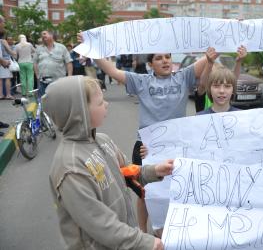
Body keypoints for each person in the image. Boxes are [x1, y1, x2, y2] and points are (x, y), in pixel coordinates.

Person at [79, 30, 218, 234]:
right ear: (150, 64)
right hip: (146, 148)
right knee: (145, 194)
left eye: (168, 57)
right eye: (158, 58)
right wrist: (91, 47)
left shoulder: (184, 77)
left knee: (175, 190)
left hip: (177, 147)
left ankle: (172, 229)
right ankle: (143, 234)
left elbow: (209, 58)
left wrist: (226, 37)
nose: (165, 61)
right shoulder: (142, 81)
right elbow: (113, 71)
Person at [42, 75, 173, 250]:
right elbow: (100, 224)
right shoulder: (70, 166)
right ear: (79, 114)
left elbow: (128, 171)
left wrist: (155, 170)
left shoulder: (103, 140)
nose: (106, 104)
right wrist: (145, 242)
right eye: (100, 102)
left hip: (121, 241)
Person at [195, 45, 247, 112]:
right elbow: (202, 85)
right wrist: (210, 63)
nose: (222, 91)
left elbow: (233, 80)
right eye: (216, 86)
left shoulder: (238, 114)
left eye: (227, 86)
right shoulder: (203, 91)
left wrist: (239, 62)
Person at [33, 30, 72, 96]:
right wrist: (37, 76)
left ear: (51, 35)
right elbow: (35, 63)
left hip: (59, 81)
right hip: (43, 82)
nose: (42, 36)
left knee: (58, 100)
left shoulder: (62, 47)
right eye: (41, 35)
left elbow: (68, 62)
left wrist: (69, 76)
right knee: (43, 102)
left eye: (44, 34)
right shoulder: (38, 49)